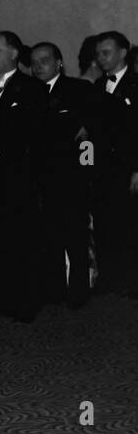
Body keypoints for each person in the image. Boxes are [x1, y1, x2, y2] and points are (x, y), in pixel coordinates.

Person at [0, 30, 49, 322]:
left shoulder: (32, 89)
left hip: (17, 174)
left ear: (14, 55)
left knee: (21, 238)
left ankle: (25, 302)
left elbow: (33, 132)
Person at [31, 41, 100, 309]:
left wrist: (87, 172)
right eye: (34, 62)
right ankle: (54, 291)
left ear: (59, 62)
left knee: (75, 237)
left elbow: (89, 135)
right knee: (49, 237)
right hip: (41, 178)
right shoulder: (29, 92)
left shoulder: (77, 89)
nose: (38, 66)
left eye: (44, 60)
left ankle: (79, 293)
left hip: (72, 179)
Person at [92, 31, 138, 297]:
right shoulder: (98, 85)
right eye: (98, 53)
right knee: (105, 223)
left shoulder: (135, 84)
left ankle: (131, 281)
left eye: (106, 52)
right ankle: (110, 278)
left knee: (130, 224)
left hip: (127, 167)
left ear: (123, 53)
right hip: (103, 169)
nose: (101, 58)